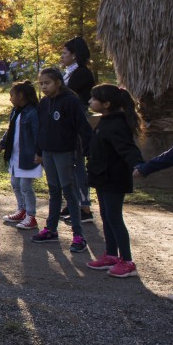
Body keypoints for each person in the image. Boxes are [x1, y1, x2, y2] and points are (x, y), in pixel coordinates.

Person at [31, 67, 93, 253]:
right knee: (53, 191)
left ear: (58, 82)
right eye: (41, 83)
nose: (43, 87)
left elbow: (84, 128)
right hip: (48, 153)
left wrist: (89, 152)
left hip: (65, 153)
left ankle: (78, 235)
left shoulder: (71, 101)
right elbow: (41, 129)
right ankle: (51, 229)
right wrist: (39, 151)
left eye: (47, 83)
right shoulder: (43, 103)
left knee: (69, 193)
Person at [85, 84, 144, 278]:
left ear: (107, 104)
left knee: (114, 218)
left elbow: (128, 148)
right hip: (102, 176)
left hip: (114, 178)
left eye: (94, 99)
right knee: (106, 216)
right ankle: (111, 255)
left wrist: (138, 165)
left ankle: (127, 261)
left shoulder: (117, 124)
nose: (90, 101)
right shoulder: (106, 120)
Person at [0, 81, 42, 229]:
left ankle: (31, 215)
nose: (10, 99)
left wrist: (39, 152)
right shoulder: (16, 111)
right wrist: (2, 144)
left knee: (25, 186)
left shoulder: (33, 112)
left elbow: (37, 134)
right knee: (15, 184)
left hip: (28, 156)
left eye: (12, 95)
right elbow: (10, 130)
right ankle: (21, 210)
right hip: (15, 155)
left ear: (20, 96)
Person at [61, 36, 97, 223]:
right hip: (67, 123)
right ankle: (73, 202)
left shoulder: (82, 73)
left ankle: (84, 207)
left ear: (74, 55)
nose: (62, 57)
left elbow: (67, 95)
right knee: (69, 164)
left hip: (76, 123)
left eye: (65, 53)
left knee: (77, 164)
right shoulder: (69, 72)